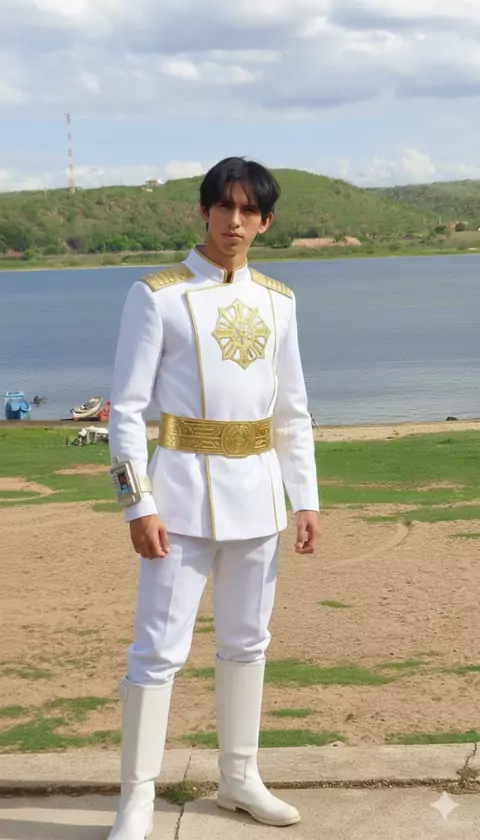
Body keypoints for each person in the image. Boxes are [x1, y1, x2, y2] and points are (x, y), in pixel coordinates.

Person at [107, 157, 320, 840]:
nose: (234, 221)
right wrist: (136, 504)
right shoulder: (157, 295)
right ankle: (137, 799)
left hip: (258, 500)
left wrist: (305, 498)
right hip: (177, 503)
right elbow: (125, 410)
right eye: (223, 207)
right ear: (203, 211)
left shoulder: (280, 301)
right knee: (156, 652)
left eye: (248, 210)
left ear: (266, 222)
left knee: (248, 644)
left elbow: (292, 412)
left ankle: (239, 778)